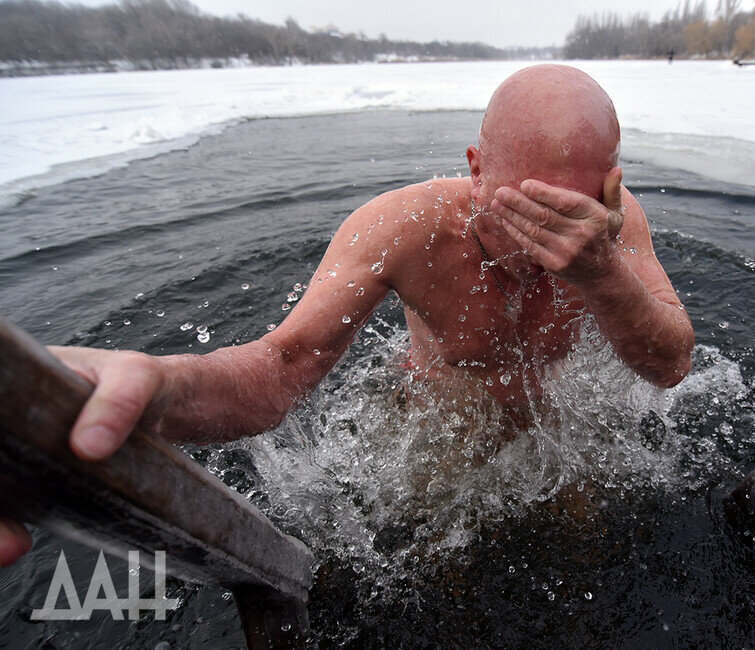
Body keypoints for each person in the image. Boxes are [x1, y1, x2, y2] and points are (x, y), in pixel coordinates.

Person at [0, 64, 694, 566]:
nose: (550, 248)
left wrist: (603, 270)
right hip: (443, 429)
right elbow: (281, 367)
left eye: (572, 215)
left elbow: (670, 364)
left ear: (610, 187)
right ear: (477, 168)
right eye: (522, 212)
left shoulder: (616, 226)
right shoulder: (402, 227)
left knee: (590, 551)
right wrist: (165, 384)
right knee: (434, 572)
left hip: (561, 434)